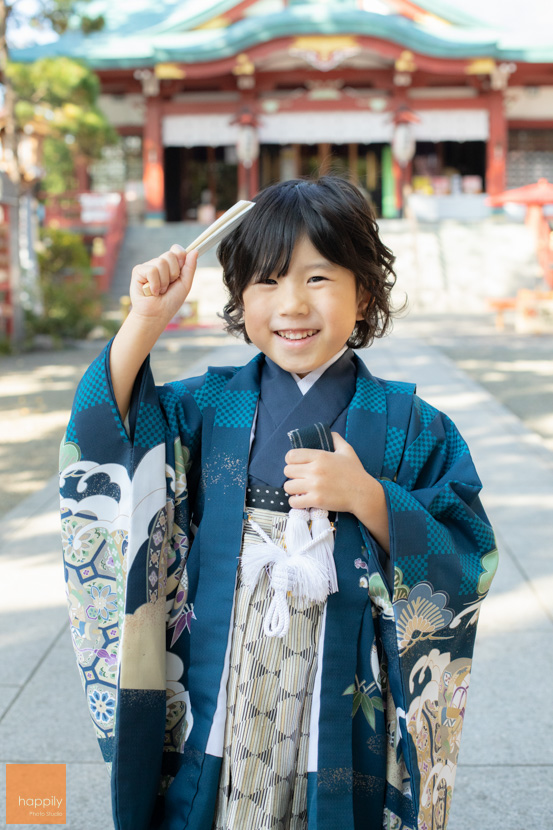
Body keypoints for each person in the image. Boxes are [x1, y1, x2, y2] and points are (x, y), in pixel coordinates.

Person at [60, 176, 497, 830]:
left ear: (364, 293)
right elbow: (109, 438)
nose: (290, 304)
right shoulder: (205, 407)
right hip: (225, 673)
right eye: (265, 281)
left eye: (318, 279)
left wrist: (370, 499)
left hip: (343, 689)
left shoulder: (412, 423)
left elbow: (467, 552)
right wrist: (144, 321)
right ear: (237, 297)